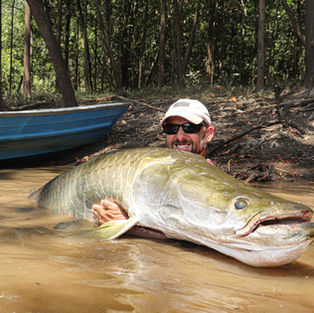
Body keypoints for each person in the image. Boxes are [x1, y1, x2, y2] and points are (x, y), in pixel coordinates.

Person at [92, 99, 215, 225]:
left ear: (208, 134)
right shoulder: (152, 170)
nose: (180, 137)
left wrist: (126, 225)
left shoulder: (212, 181)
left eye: (190, 128)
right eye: (171, 128)